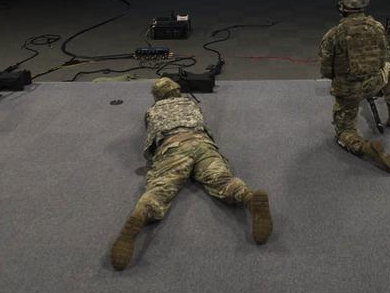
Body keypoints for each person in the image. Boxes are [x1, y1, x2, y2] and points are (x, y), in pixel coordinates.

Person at [110, 77, 272, 271]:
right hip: (203, 144)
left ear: (156, 96)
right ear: (177, 91)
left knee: (161, 187)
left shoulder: (152, 111)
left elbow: (150, 142)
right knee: (221, 180)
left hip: (173, 146)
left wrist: (155, 160)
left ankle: (141, 213)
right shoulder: (191, 103)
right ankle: (249, 198)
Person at [318, 0, 390, 174]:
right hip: (373, 83)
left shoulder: (334, 35)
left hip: (348, 91)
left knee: (345, 131)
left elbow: (327, 70)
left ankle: (363, 147)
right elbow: (382, 58)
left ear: (341, 5)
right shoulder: (377, 28)